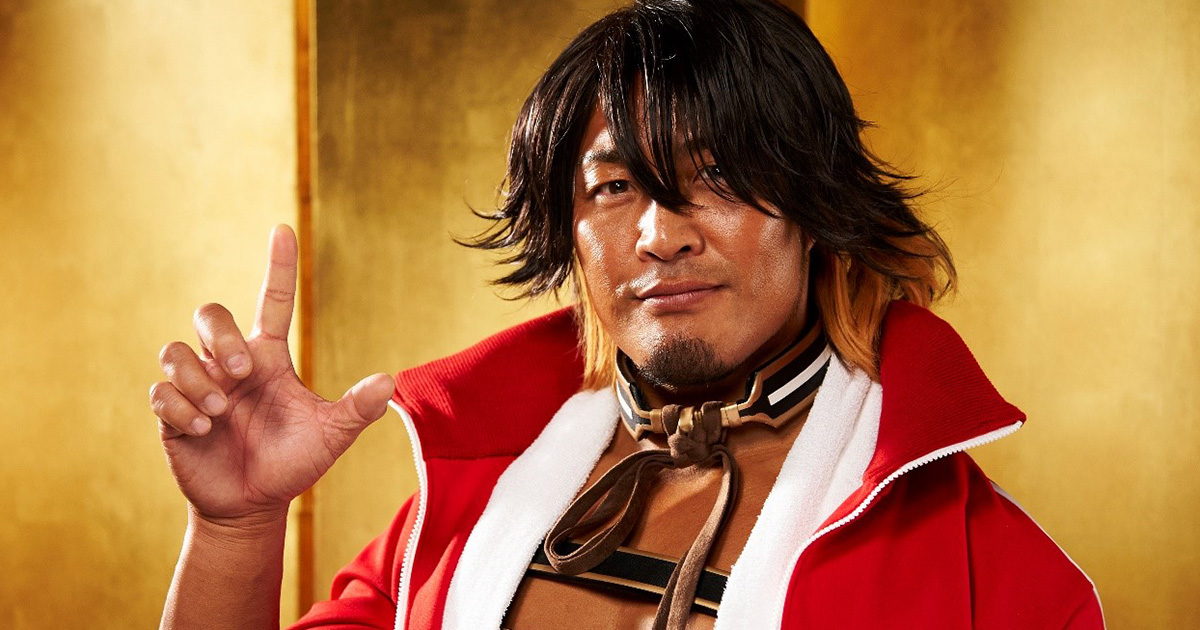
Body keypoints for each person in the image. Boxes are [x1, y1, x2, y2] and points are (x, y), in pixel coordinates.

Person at [150, 0, 1104, 628]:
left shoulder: (994, 573)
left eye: (718, 177)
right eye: (612, 187)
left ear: (815, 208)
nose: (659, 234)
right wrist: (237, 526)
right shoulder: (471, 502)